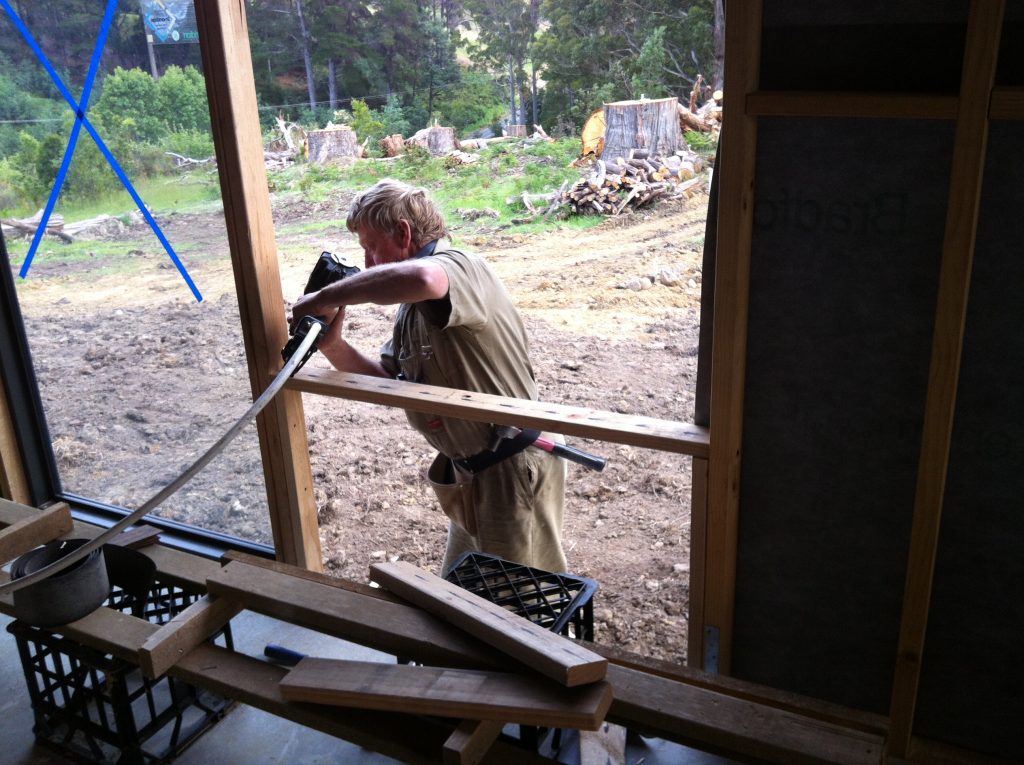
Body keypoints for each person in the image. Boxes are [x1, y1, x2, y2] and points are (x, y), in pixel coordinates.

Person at [288, 179, 567, 574]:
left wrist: (324, 297)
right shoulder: (412, 310)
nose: (367, 262)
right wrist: (333, 345)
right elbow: (389, 380)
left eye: (371, 247)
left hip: (512, 467)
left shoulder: (461, 267)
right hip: (472, 471)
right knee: (463, 592)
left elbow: (423, 278)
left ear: (403, 233)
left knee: (518, 608)